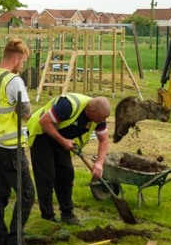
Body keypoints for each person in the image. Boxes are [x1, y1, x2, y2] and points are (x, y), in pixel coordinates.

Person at [0, 38, 40, 245]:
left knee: (0, 193)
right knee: (27, 193)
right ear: (16, 58)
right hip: (9, 145)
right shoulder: (14, 81)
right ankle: (15, 243)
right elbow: (26, 112)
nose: (22, 66)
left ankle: (0, 242)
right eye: (22, 61)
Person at [28, 94, 111, 225]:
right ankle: (48, 217)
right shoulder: (68, 105)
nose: (102, 121)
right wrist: (63, 141)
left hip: (62, 140)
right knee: (46, 176)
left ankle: (67, 214)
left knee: (66, 175)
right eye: (101, 118)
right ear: (91, 111)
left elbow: (104, 140)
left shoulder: (99, 117)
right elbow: (44, 122)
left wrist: (99, 164)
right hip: (42, 135)